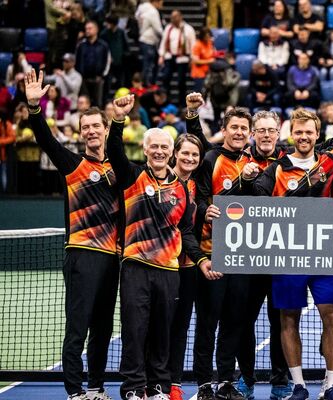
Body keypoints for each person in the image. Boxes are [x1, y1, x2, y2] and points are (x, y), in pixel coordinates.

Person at [24, 69, 119, 400]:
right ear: (81, 135)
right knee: (78, 328)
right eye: (86, 128)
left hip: (114, 259)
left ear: (107, 130)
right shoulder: (72, 165)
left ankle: (96, 387)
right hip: (82, 255)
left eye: (96, 126)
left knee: (103, 330)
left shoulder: (121, 169)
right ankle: (75, 392)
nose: (92, 131)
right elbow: (45, 139)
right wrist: (35, 109)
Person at [105, 94, 207, 400]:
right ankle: (134, 388)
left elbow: (186, 230)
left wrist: (200, 259)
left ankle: (160, 386)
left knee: (163, 332)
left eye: (165, 146)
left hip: (169, 270)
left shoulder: (181, 189)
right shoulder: (132, 176)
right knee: (135, 331)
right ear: (146, 150)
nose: (160, 151)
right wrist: (119, 120)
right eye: (156, 146)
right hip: (136, 266)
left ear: (170, 152)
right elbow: (114, 151)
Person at [252, 109, 333, 400]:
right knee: (288, 318)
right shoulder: (277, 169)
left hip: (326, 255)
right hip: (288, 256)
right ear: (291, 134)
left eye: (309, 132)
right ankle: (298, 385)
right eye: (299, 132)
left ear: (317, 135)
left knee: (331, 316)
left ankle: (332, 383)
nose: (304, 136)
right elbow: (255, 202)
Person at [190, 106, 261, 400]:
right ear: (225, 129)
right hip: (212, 253)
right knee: (208, 322)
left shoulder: (253, 162)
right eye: (235, 127)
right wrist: (207, 210)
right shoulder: (210, 159)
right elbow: (200, 196)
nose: (240, 132)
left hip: (241, 256)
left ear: (250, 133)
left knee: (235, 321)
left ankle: (227, 381)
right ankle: (205, 382)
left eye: (244, 128)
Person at [232, 110, 291, 400]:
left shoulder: (290, 161)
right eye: (261, 130)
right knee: (245, 319)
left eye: (271, 130)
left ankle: (281, 379)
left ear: (278, 133)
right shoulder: (238, 161)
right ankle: (246, 377)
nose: (266, 135)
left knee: (281, 320)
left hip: (281, 256)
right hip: (249, 257)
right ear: (253, 133)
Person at [165, 121, 205, 400]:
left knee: (180, 327)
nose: (190, 158)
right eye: (185, 153)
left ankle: (174, 382)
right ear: (174, 154)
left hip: (188, 267)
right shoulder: (160, 180)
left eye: (195, 155)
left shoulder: (196, 186)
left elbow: (190, 227)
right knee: (157, 325)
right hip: (161, 265)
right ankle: (151, 381)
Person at [159, 10, 196, 104]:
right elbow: (163, 42)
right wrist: (161, 55)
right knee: (166, 77)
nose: (173, 19)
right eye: (172, 17)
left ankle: (182, 103)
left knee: (181, 81)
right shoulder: (168, 28)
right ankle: (166, 100)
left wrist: (192, 58)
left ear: (180, 17)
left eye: (175, 17)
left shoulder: (188, 29)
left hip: (182, 58)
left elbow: (193, 44)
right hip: (170, 56)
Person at [75, 20, 111, 107]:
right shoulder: (81, 45)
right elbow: (77, 60)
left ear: (96, 30)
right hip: (83, 79)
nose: (87, 30)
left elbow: (108, 61)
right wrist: (79, 75)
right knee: (84, 103)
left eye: (90, 28)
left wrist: (102, 75)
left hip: (97, 79)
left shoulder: (103, 45)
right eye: (86, 28)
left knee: (97, 104)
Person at [135, 0, 164, 86]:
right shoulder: (153, 11)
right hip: (149, 41)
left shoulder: (141, 8)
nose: (162, 4)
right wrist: (165, 36)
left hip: (143, 38)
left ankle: (145, 83)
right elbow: (158, 29)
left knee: (146, 64)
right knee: (148, 65)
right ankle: (147, 84)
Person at [99, 15, 128, 92]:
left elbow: (125, 45)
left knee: (120, 82)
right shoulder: (104, 34)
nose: (107, 25)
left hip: (120, 61)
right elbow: (102, 48)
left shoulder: (121, 32)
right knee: (107, 82)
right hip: (109, 62)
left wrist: (124, 55)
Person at [191, 27, 217, 93]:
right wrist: (209, 61)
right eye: (206, 37)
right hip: (199, 74)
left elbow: (213, 53)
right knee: (199, 93)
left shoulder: (210, 43)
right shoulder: (197, 45)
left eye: (209, 36)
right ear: (202, 37)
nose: (208, 38)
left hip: (208, 72)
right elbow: (196, 61)